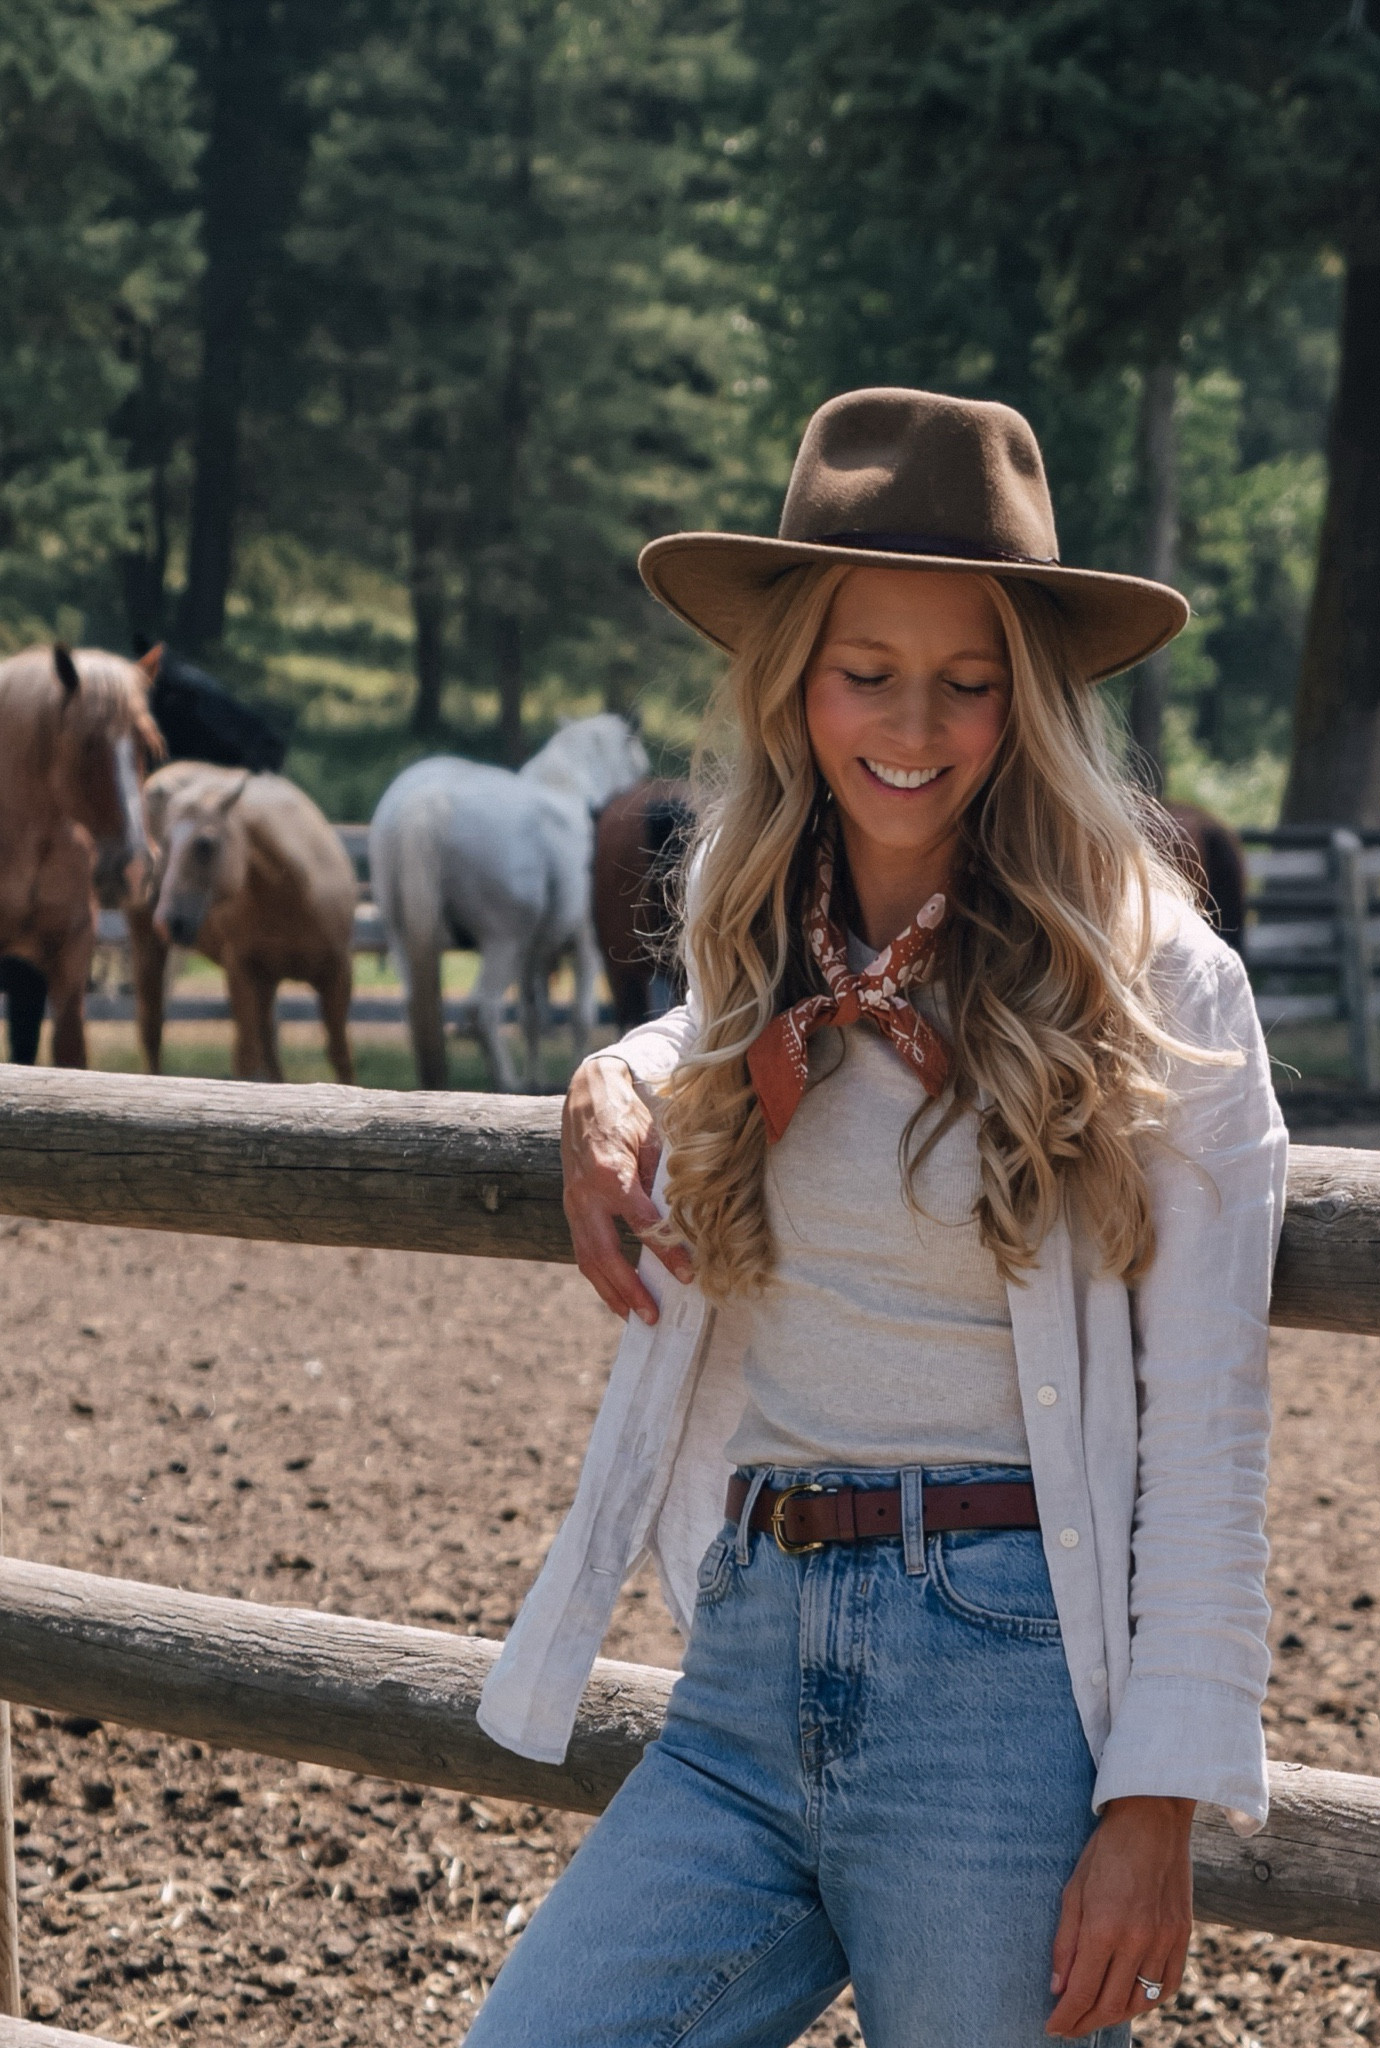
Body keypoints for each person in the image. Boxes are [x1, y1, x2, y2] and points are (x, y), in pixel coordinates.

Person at [466, 388, 1287, 2048]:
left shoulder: (1161, 985)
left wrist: (1157, 1803)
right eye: (867, 671)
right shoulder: (753, 924)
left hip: (1002, 1683)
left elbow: (1210, 1424)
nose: (915, 723)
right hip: (745, 1663)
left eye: (969, 681)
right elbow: (703, 1038)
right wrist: (610, 1074)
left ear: (1029, 697)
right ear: (794, 681)